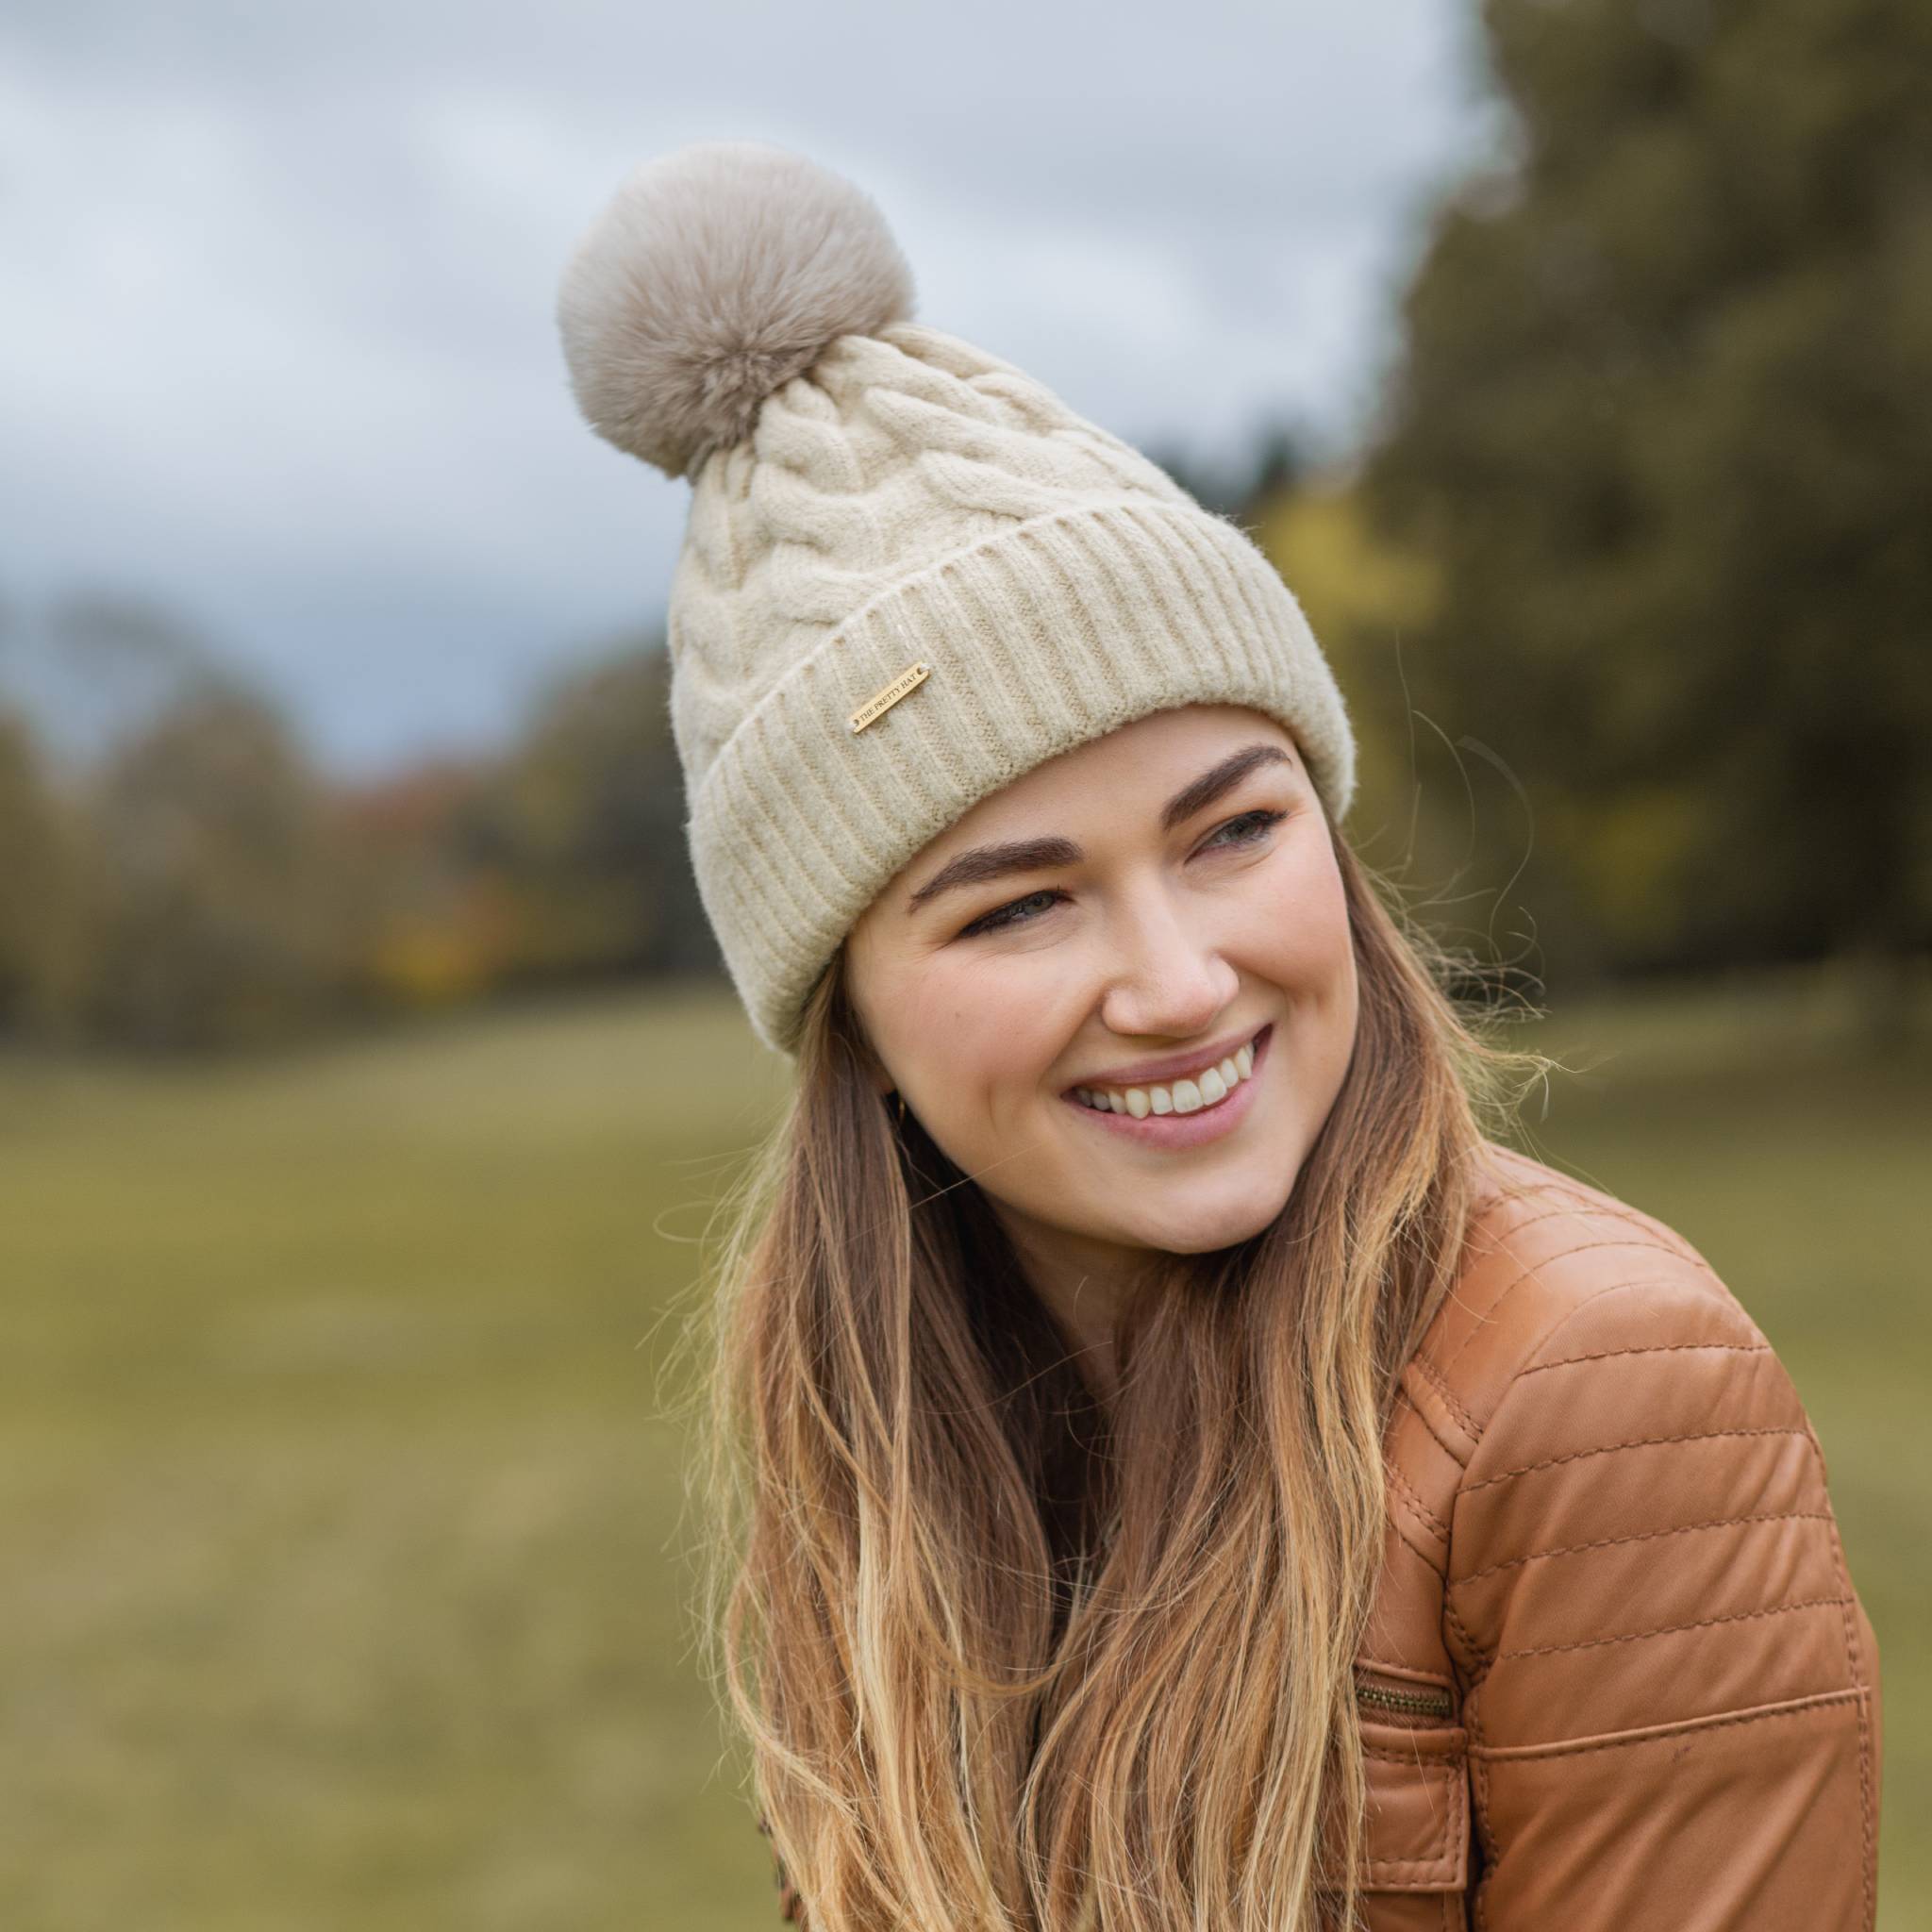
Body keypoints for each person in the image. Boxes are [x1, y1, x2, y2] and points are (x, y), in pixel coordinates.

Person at [556, 141, 1882, 1932]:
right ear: (848, 1017)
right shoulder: (877, 1414)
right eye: (1022, 903)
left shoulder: (1592, 1393)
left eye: (1234, 831)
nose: (1177, 982)